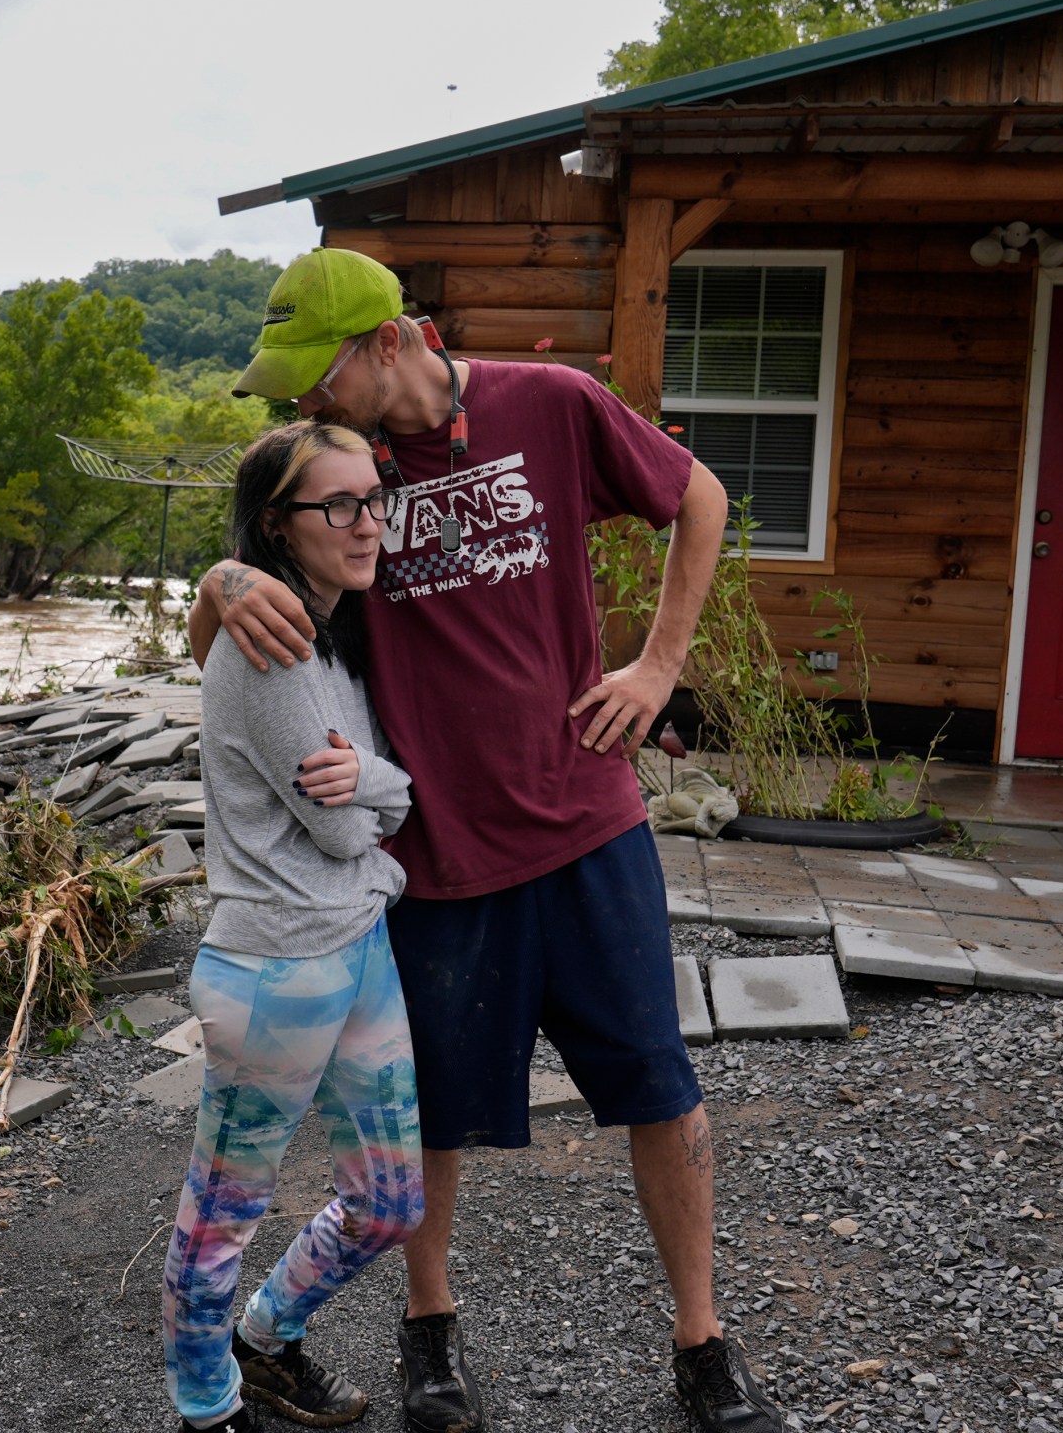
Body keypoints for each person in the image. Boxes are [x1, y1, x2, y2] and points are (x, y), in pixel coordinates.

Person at [189, 247, 786, 1433]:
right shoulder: (340, 479)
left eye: (323, 376)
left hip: (588, 823)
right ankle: (431, 1337)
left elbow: (699, 495)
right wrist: (216, 581)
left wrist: (659, 665)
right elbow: (237, 584)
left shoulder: (547, 404)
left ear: (394, 340)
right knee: (440, 1114)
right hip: (436, 856)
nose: (308, 402)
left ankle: (704, 1346)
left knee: (660, 1090)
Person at [161, 420, 426, 1433]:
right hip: (273, 966)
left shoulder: (340, 633)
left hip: (359, 946)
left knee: (391, 1201)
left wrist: (376, 785)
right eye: (339, 506)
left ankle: (264, 1338)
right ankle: (204, 1402)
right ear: (278, 522)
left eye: (375, 500)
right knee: (222, 1213)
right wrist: (387, 789)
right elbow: (337, 822)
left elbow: (367, 804)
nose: (368, 525)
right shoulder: (269, 646)